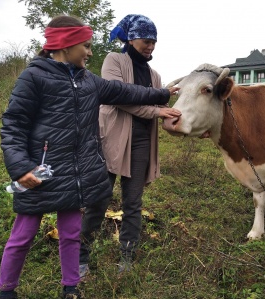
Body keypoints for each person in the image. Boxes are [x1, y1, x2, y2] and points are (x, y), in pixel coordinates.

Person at [0, 15, 178, 299]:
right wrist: (21, 168)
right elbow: (13, 125)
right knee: (22, 237)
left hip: (75, 175)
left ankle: (71, 289)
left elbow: (126, 91)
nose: (91, 52)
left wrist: (162, 94)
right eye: (86, 45)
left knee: (70, 233)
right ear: (66, 46)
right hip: (39, 173)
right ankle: (6, 291)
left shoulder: (88, 81)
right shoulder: (33, 77)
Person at [79, 14, 181, 276]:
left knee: (133, 203)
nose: (151, 47)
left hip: (141, 145)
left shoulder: (155, 75)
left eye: (154, 42)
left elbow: (161, 107)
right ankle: (81, 256)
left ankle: (126, 256)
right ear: (132, 39)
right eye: (147, 41)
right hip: (111, 141)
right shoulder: (114, 60)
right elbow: (118, 96)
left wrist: (186, 125)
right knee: (98, 200)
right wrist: (157, 112)